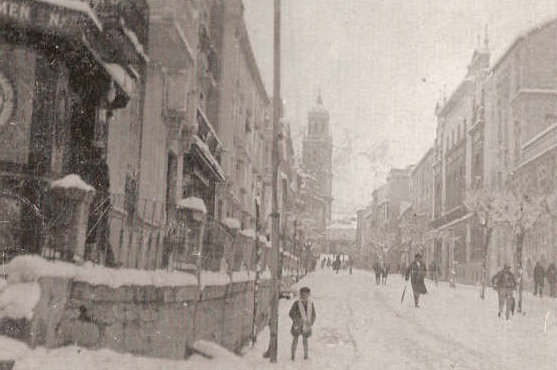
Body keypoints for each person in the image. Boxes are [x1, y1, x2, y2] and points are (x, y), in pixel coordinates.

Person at [289, 287, 316, 361]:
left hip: (306, 325)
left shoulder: (310, 304)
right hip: (297, 325)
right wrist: (297, 319)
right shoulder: (296, 303)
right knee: (295, 339)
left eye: (307, 294)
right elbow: (291, 313)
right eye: (304, 294)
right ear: (301, 294)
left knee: (305, 340)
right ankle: (292, 355)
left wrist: (311, 322)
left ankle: (306, 355)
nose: (305, 296)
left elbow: (313, 314)